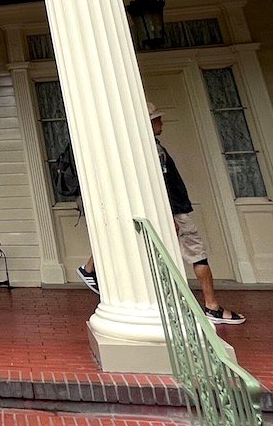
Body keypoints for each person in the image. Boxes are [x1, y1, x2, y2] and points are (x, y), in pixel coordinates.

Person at [78, 102, 245, 325]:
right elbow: (161, 182)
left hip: (170, 209)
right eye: (157, 119)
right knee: (197, 255)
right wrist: (170, 213)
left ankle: (90, 267)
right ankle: (211, 307)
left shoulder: (147, 147)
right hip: (175, 211)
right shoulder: (151, 150)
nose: (161, 123)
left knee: (134, 241)